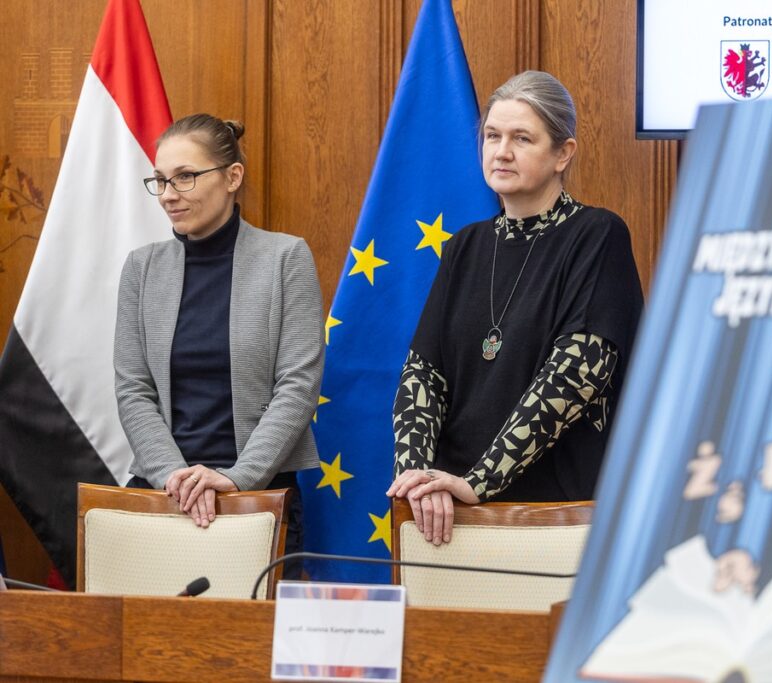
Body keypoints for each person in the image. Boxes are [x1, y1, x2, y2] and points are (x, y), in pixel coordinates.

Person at [387, 71, 644, 545]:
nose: (501, 151)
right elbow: (422, 374)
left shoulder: (597, 235)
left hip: (553, 514)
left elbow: (577, 375)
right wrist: (418, 479)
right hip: (448, 509)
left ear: (562, 153)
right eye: (492, 136)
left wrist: (479, 481)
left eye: (522, 138)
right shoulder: (465, 246)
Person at [114, 114, 324, 570]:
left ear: (233, 177)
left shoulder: (285, 258)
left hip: (258, 495)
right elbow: (133, 389)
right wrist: (176, 478)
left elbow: (298, 386)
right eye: (160, 180)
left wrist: (236, 478)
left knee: (251, 642)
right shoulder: (141, 268)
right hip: (161, 495)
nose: (169, 195)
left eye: (185, 177)